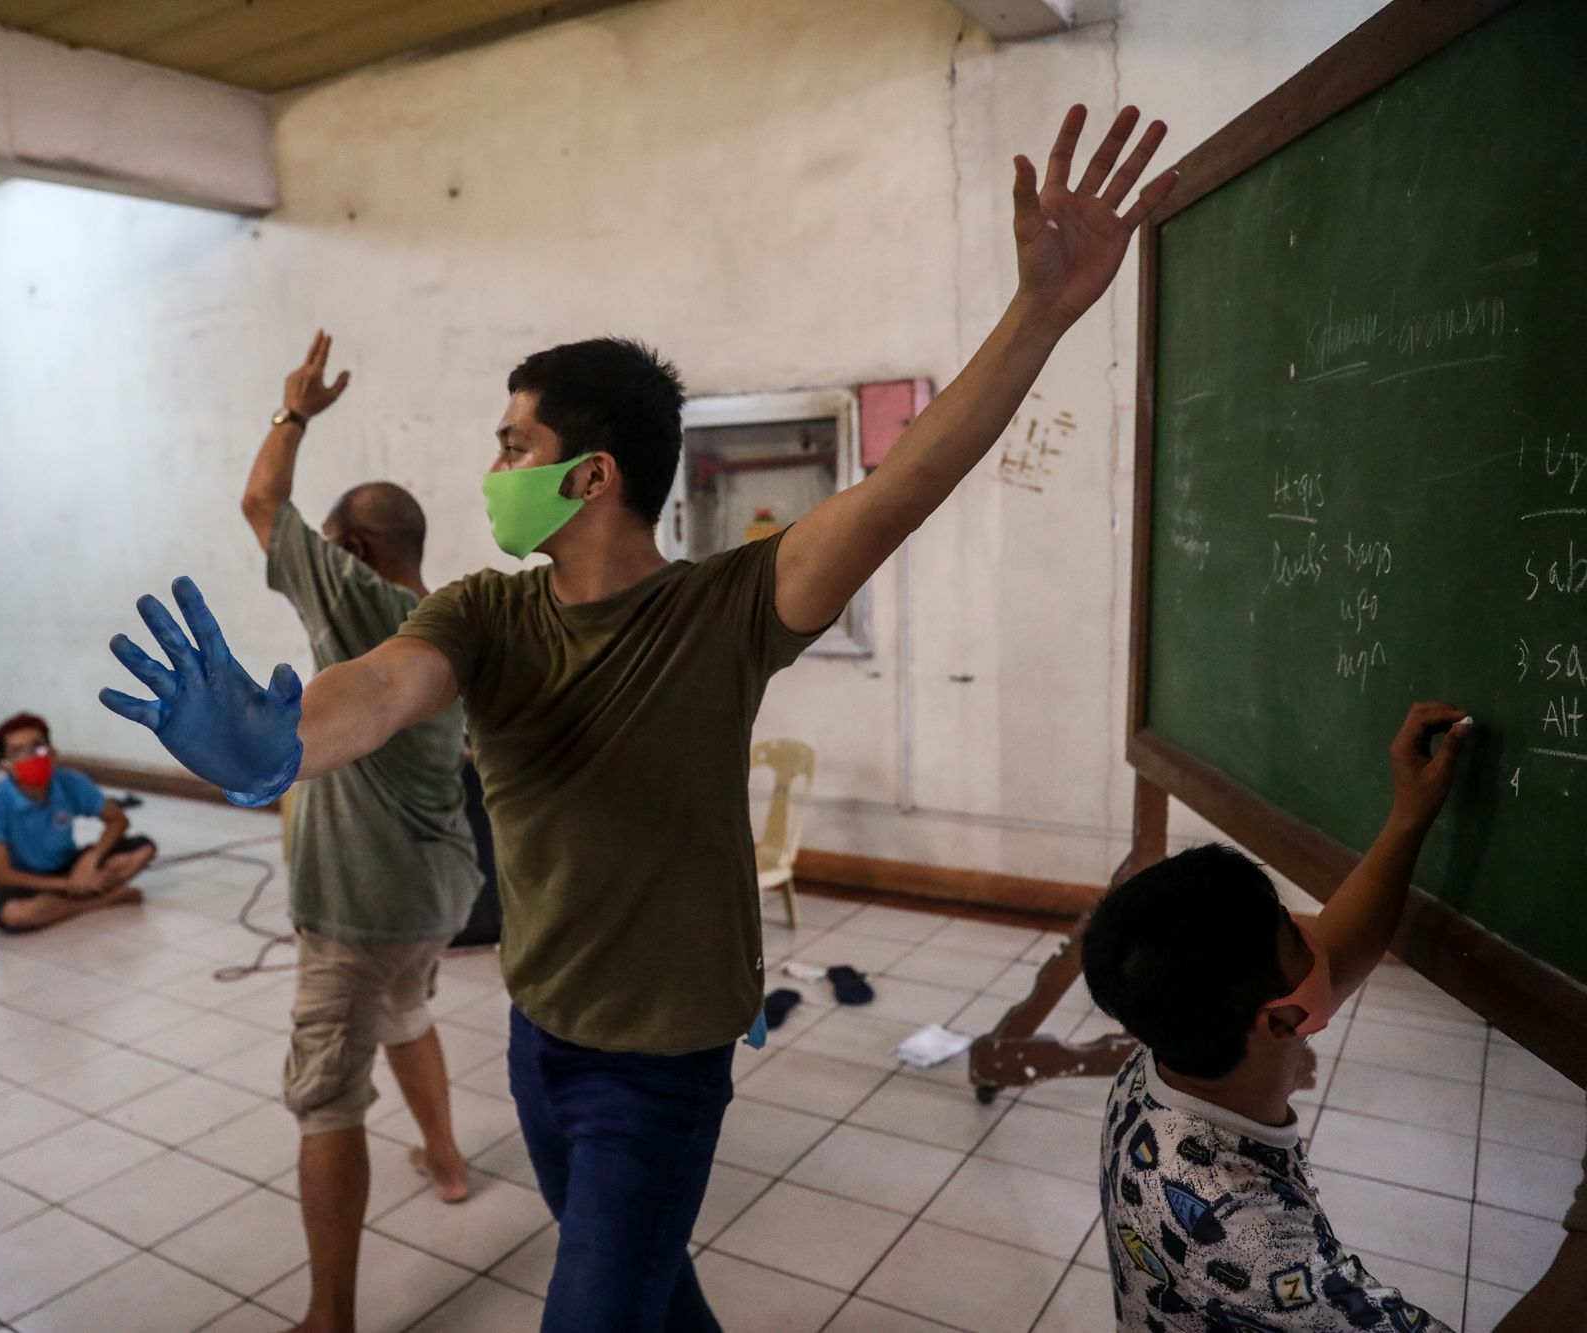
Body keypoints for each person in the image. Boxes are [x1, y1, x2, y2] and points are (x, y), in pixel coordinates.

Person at [103, 104, 1176, 1331]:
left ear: (591, 475)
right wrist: (273, 741)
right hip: (538, 1035)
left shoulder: (728, 610)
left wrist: (1038, 310)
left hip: (659, 1066)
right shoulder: (484, 614)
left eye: (514, 443)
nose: (493, 467)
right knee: (651, 1293)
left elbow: (903, 484)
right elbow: (386, 687)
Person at [1080, 703, 1479, 1329]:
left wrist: (1408, 816)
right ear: (1282, 1021)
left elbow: (1341, 950)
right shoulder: (1246, 1233)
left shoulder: (1157, 1058)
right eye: (1296, 938)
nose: (1318, 936)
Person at [240, 334, 486, 1333]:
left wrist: (294, 411)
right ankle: (450, 1160)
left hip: (355, 901)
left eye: (331, 542)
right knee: (408, 1014)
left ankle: (327, 1316)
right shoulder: (449, 620)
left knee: (328, 1096)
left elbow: (262, 504)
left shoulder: (362, 603)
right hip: (438, 896)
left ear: (354, 551)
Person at [0, 712, 156, 933]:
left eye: (38, 747)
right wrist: (68, 884)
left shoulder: (70, 782)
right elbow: (2, 874)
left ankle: (67, 903)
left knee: (143, 849)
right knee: (14, 914)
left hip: (67, 864)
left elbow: (118, 820)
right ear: (5, 766)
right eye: (18, 752)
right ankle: (101, 900)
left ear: (52, 752)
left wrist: (90, 859)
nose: (31, 756)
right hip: (25, 880)